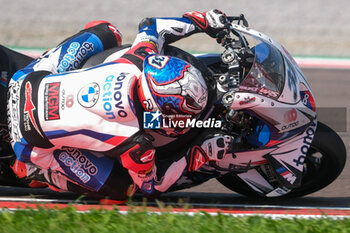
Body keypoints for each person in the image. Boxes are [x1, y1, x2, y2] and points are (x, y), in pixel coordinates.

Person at [6, 9, 235, 202]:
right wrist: (200, 152)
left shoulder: (137, 59)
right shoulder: (134, 141)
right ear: (155, 108)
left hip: (23, 80)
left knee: (107, 31)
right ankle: (41, 172)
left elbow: (152, 27)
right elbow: (152, 184)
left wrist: (202, 21)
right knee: (125, 190)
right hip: (28, 142)